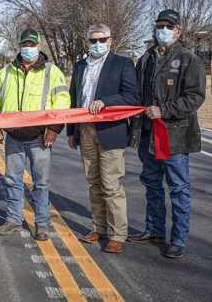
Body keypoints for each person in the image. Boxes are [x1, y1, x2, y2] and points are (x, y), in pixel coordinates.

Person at [127, 9, 206, 259]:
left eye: (169, 26)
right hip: (148, 135)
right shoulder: (146, 59)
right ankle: (154, 230)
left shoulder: (187, 59)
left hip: (174, 136)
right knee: (151, 184)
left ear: (178, 31)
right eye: (160, 25)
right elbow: (137, 95)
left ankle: (178, 239)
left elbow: (195, 97)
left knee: (179, 188)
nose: (163, 30)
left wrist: (165, 111)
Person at [0, 29, 71, 241]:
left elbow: (62, 102)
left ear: (39, 46)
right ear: (19, 46)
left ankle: (42, 223)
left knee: (41, 182)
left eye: (32, 45)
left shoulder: (52, 72)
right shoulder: (6, 72)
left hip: (40, 138)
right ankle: (14, 220)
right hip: (13, 137)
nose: (28, 49)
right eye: (24, 45)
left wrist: (54, 129)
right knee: (13, 180)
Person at [66, 23, 138, 254]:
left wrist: (106, 100)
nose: (96, 44)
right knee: (94, 183)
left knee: (111, 185)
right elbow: (74, 99)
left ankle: (118, 235)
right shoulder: (79, 66)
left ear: (110, 40)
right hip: (85, 130)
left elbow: (131, 96)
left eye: (101, 40)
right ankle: (99, 228)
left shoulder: (122, 64)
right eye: (92, 40)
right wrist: (71, 131)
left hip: (110, 131)